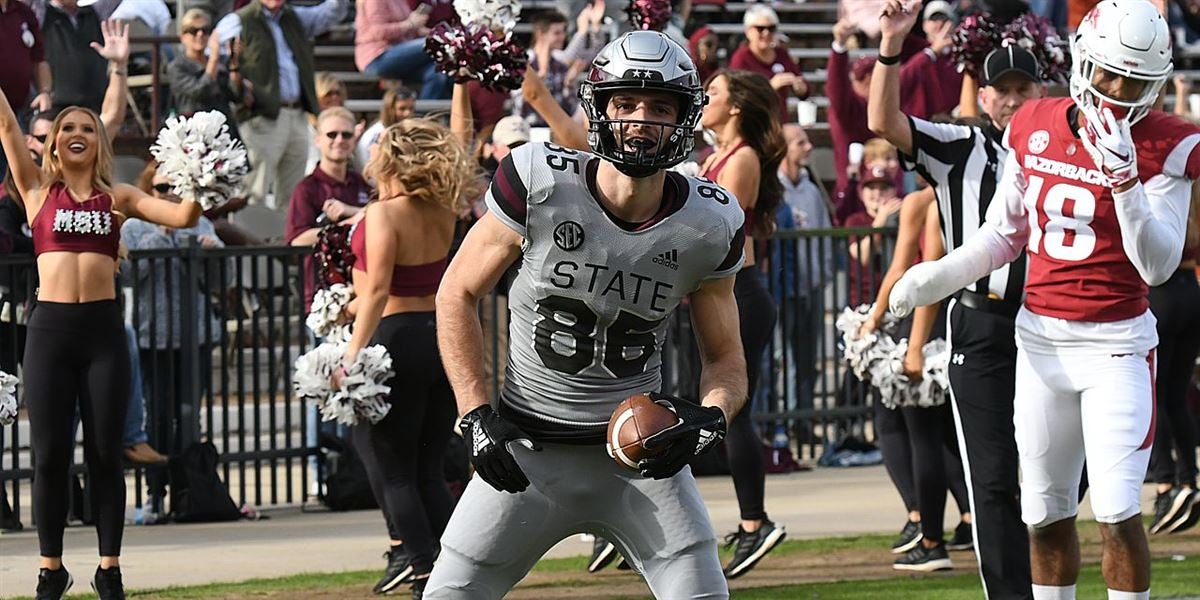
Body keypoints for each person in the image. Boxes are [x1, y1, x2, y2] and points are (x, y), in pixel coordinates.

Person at [890, 1, 1196, 598]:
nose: (1118, 91)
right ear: (1084, 62)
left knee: (1115, 509)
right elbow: (1004, 234)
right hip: (1039, 344)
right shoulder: (1033, 121)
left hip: (1117, 349)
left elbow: (1158, 265)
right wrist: (940, 274)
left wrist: (1126, 181)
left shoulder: (1171, 143)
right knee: (1043, 511)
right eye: (1110, 74)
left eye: (1135, 81)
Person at [427, 30, 747, 599]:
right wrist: (475, 414)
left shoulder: (708, 221)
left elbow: (726, 360)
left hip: (640, 461)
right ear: (600, 109)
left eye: (660, 106)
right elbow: (456, 292)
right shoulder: (540, 180)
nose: (641, 120)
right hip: (527, 450)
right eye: (625, 103)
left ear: (685, 117)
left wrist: (710, 419)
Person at [0, 38, 201, 600]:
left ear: (98, 141)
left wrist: (201, 175)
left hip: (104, 334)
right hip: (49, 332)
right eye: (66, 129)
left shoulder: (121, 197)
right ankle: (50, 568)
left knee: (107, 453)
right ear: (56, 145)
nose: (76, 134)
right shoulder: (37, 192)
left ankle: (109, 568)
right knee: (49, 456)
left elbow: (184, 214)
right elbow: (6, 126)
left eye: (85, 128)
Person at [868, 0, 1045, 591]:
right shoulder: (959, 147)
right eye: (1004, 90)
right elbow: (884, 121)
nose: (1013, 101)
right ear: (985, 95)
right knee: (992, 480)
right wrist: (892, 45)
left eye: (1025, 88)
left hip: (1050, 326)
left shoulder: (1060, 147)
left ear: (1042, 92)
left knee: (1055, 479)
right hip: (982, 325)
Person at [334, 118, 475, 597]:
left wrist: (350, 356)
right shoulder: (444, 209)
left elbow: (376, 291)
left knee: (395, 472)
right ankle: (464, 569)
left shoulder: (381, 213)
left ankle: (422, 573)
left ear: (389, 159)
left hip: (393, 341)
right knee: (429, 469)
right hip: (437, 339)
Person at [697, 68, 787, 579]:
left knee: (733, 409)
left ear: (734, 108)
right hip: (718, 296)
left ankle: (756, 522)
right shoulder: (715, 156)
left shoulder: (743, 157)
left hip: (741, 295)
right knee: (710, 405)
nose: (705, 101)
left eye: (713, 95)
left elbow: (719, 228)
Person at [215, 0, 347, 213]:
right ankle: (248, 243)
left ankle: (286, 243)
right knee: (253, 192)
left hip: (297, 113)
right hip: (262, 115)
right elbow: (210, 56)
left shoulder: (293, 17)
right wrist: (237, 86)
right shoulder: (238, 21)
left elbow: (332, 13)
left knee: (293, 195)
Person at [1146, 182, 1200, 535]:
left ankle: (1167, 485)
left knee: (1155, 396)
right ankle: (1188, 479)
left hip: (1161, 291)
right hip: (1189, 293)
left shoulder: (1163, 183)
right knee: (1176, 396)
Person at [287, 106, 372, 310]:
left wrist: (351, 212)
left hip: (362, 293)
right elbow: (297, 240)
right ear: (318, 140)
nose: (340, 140)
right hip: (324, 297)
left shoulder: (362, 183)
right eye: (332, 134)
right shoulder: (306, 188)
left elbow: (382, 213)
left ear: (354, 140)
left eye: (347, 134)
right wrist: (349, 223)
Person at [168, 8, 251, 141]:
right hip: (194, 138)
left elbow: (235, 95)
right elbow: (200, 91)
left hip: (224, 133)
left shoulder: (219, 64)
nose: (200, 35)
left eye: (205, 30)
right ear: (183, 36)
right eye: (193, 31)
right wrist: (213, 58)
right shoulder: (177, 67)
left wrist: (234, 63)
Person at [354, 0, 450, 100]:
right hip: (377, 57)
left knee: (436, 72)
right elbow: (377, 31)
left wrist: (439, 33)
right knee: (435, 44)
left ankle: (425, 114)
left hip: (401, 52)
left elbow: (412, 29)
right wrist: (409, 24)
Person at [728, 6, 808, 122]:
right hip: (754, 124)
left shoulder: (781, 54)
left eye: (771, 28)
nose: (766, 33)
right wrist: (769, 87)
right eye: (760, 29)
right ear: (748, 31)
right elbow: (736, 95)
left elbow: (801, 83)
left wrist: (801, 88)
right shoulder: (741, 58)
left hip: (779, 122)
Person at [514, 10, 580, 128]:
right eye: (557, 33)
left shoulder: (561, 67)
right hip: (528, 131)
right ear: (541, 34)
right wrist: (539, 79)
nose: (562, 37)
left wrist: (569, 86)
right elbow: (519, 105)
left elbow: (569, 110)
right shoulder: (522, 63)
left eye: (563, 32)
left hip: (556, 132)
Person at [357, 86, 415, 168]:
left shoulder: (410, 132)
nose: (408, 113)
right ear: (389, 109)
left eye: (411, 108)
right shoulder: (374, 136)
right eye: (402, 109)